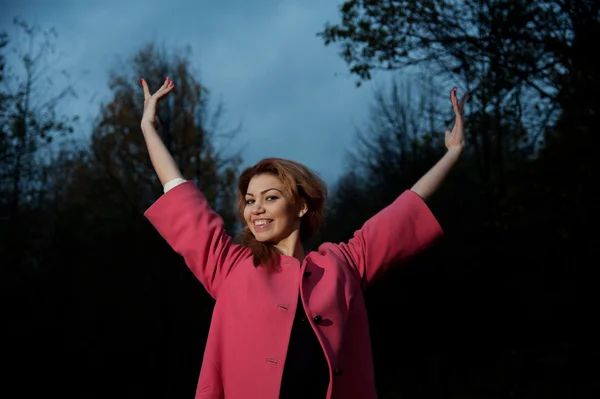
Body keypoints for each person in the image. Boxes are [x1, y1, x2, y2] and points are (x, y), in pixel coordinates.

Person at [140, 76, 466, 399]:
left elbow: (403, 212)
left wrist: (452, 154)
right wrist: (148, 129)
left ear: (300, 207)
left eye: (270, 198)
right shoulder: (228, 264)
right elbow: (179, 192)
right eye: (250, 201)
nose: (256, 209)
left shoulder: (342, 264)